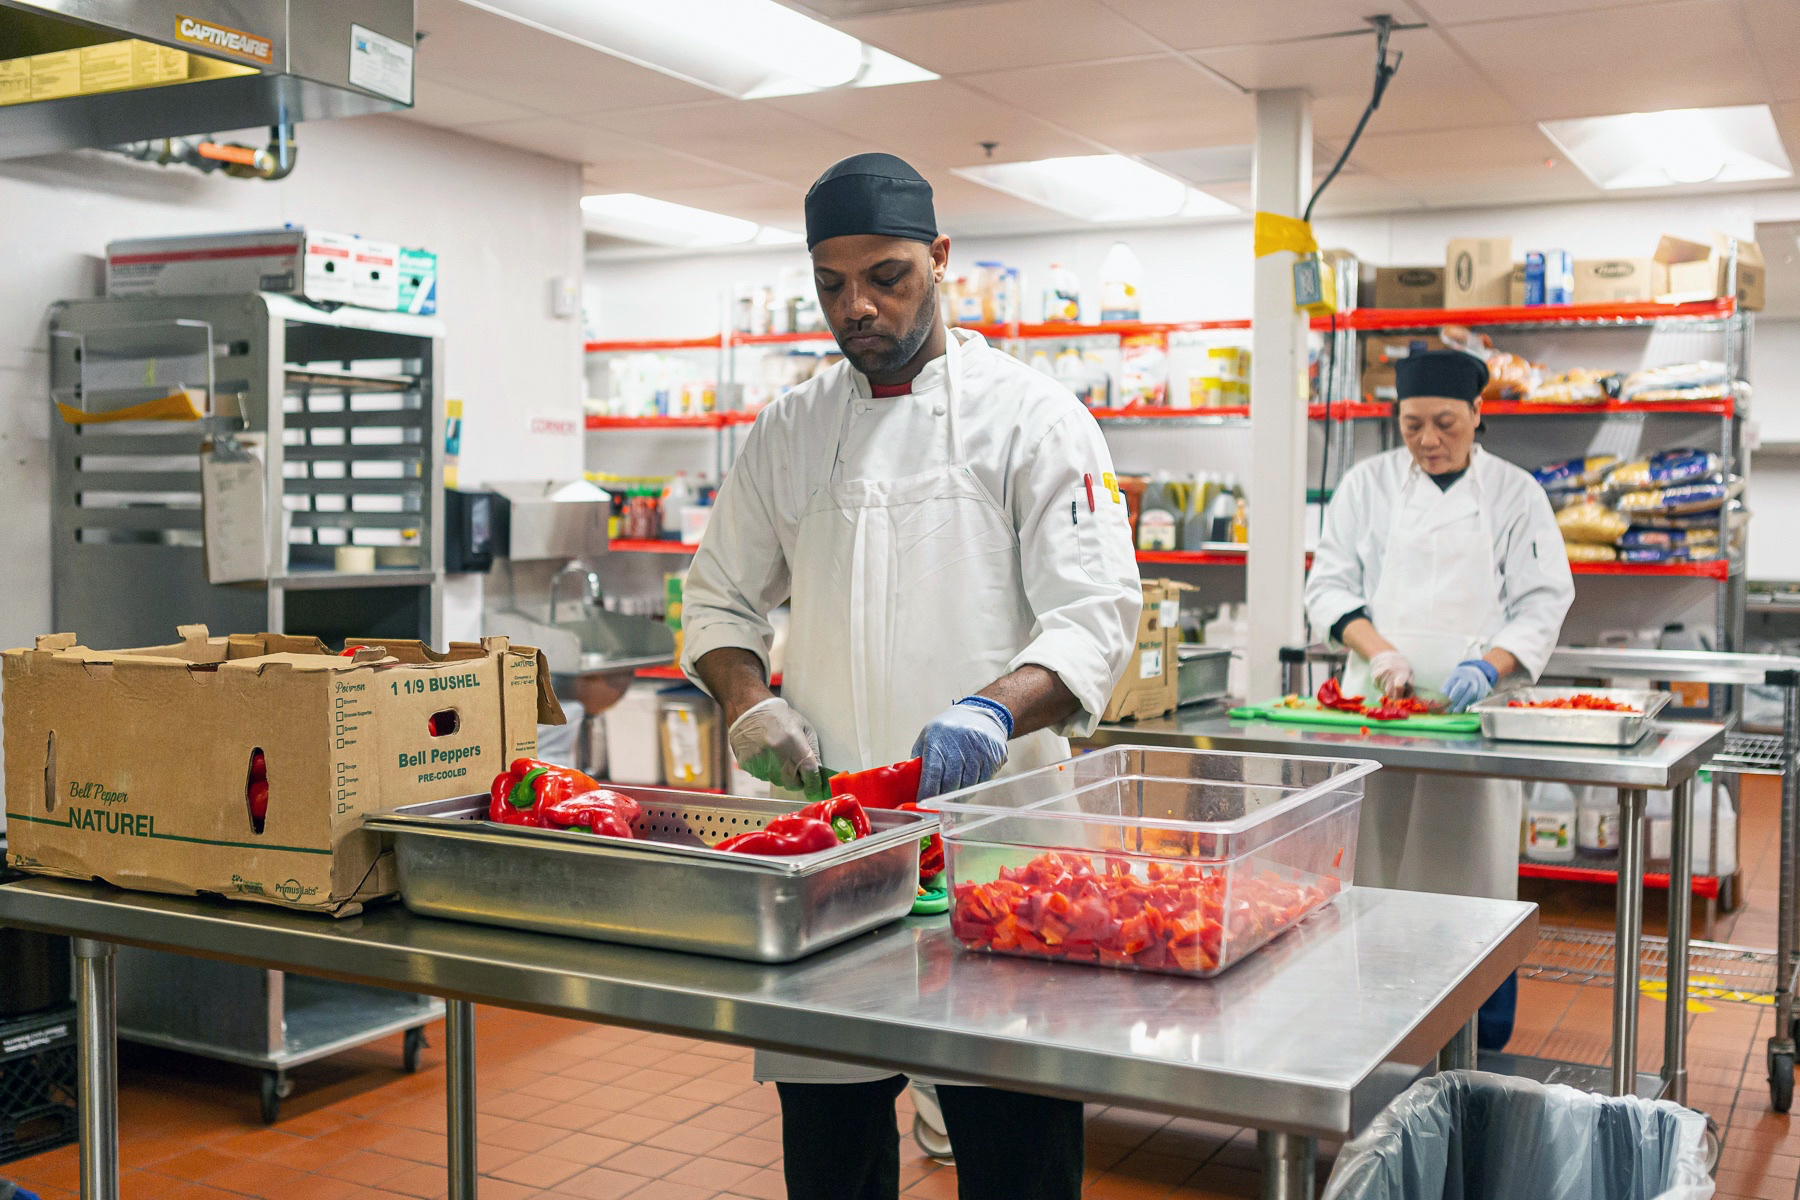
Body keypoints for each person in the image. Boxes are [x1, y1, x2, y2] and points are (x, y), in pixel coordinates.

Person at [679, 153, 1142, 1200]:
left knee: (1016, 1148)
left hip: (1003, 845)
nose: (859, 307)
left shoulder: (1034, 416)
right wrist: (749, 703)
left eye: (887, 276)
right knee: (832, 1148)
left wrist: (993, 709)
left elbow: (1097, 613)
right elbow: (714, 601)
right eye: (832, 285)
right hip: (834, 843)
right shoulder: (792, 428)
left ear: (941, 259)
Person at [1305, 348, 1574, 1049]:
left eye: (1446, 424)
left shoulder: (1517, 495)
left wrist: (1487, 668)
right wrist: (1381, 651)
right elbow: (1328, 588)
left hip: (1473, 719)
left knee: (1470, 872)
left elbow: (1543, 603)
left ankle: (1480, 1030)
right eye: (1413, 424)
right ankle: (1374, 1021)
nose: (1428, 440)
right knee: (1376, 865)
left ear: (1478, 416)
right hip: (1377, 713)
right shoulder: (1366, 486)